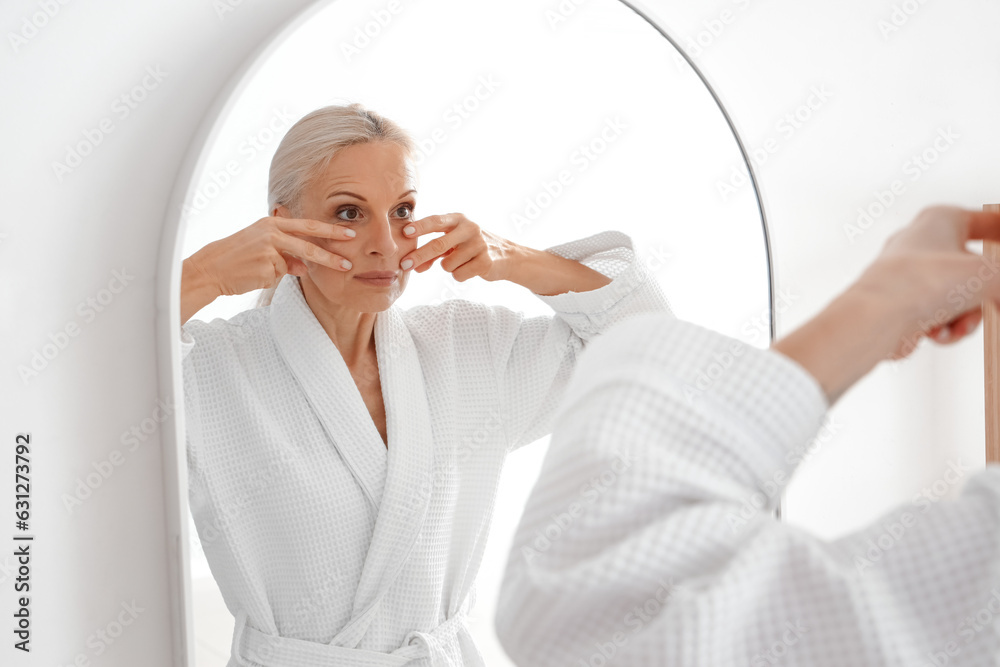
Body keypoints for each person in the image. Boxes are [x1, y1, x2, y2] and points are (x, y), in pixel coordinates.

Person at [178, 103, 674, 666]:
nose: (386, 246)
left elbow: (653, 351)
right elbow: (87, 382)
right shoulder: (213, 368)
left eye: (403, 211)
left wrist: (515, 260)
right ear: (283, 223)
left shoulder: (466, 349)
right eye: (349, 213)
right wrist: (203, 275)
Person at [494, 205, 1000, 666]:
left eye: (410, 208)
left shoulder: (463, 344)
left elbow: (595, 618)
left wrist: (884, 298)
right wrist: (887, 300)